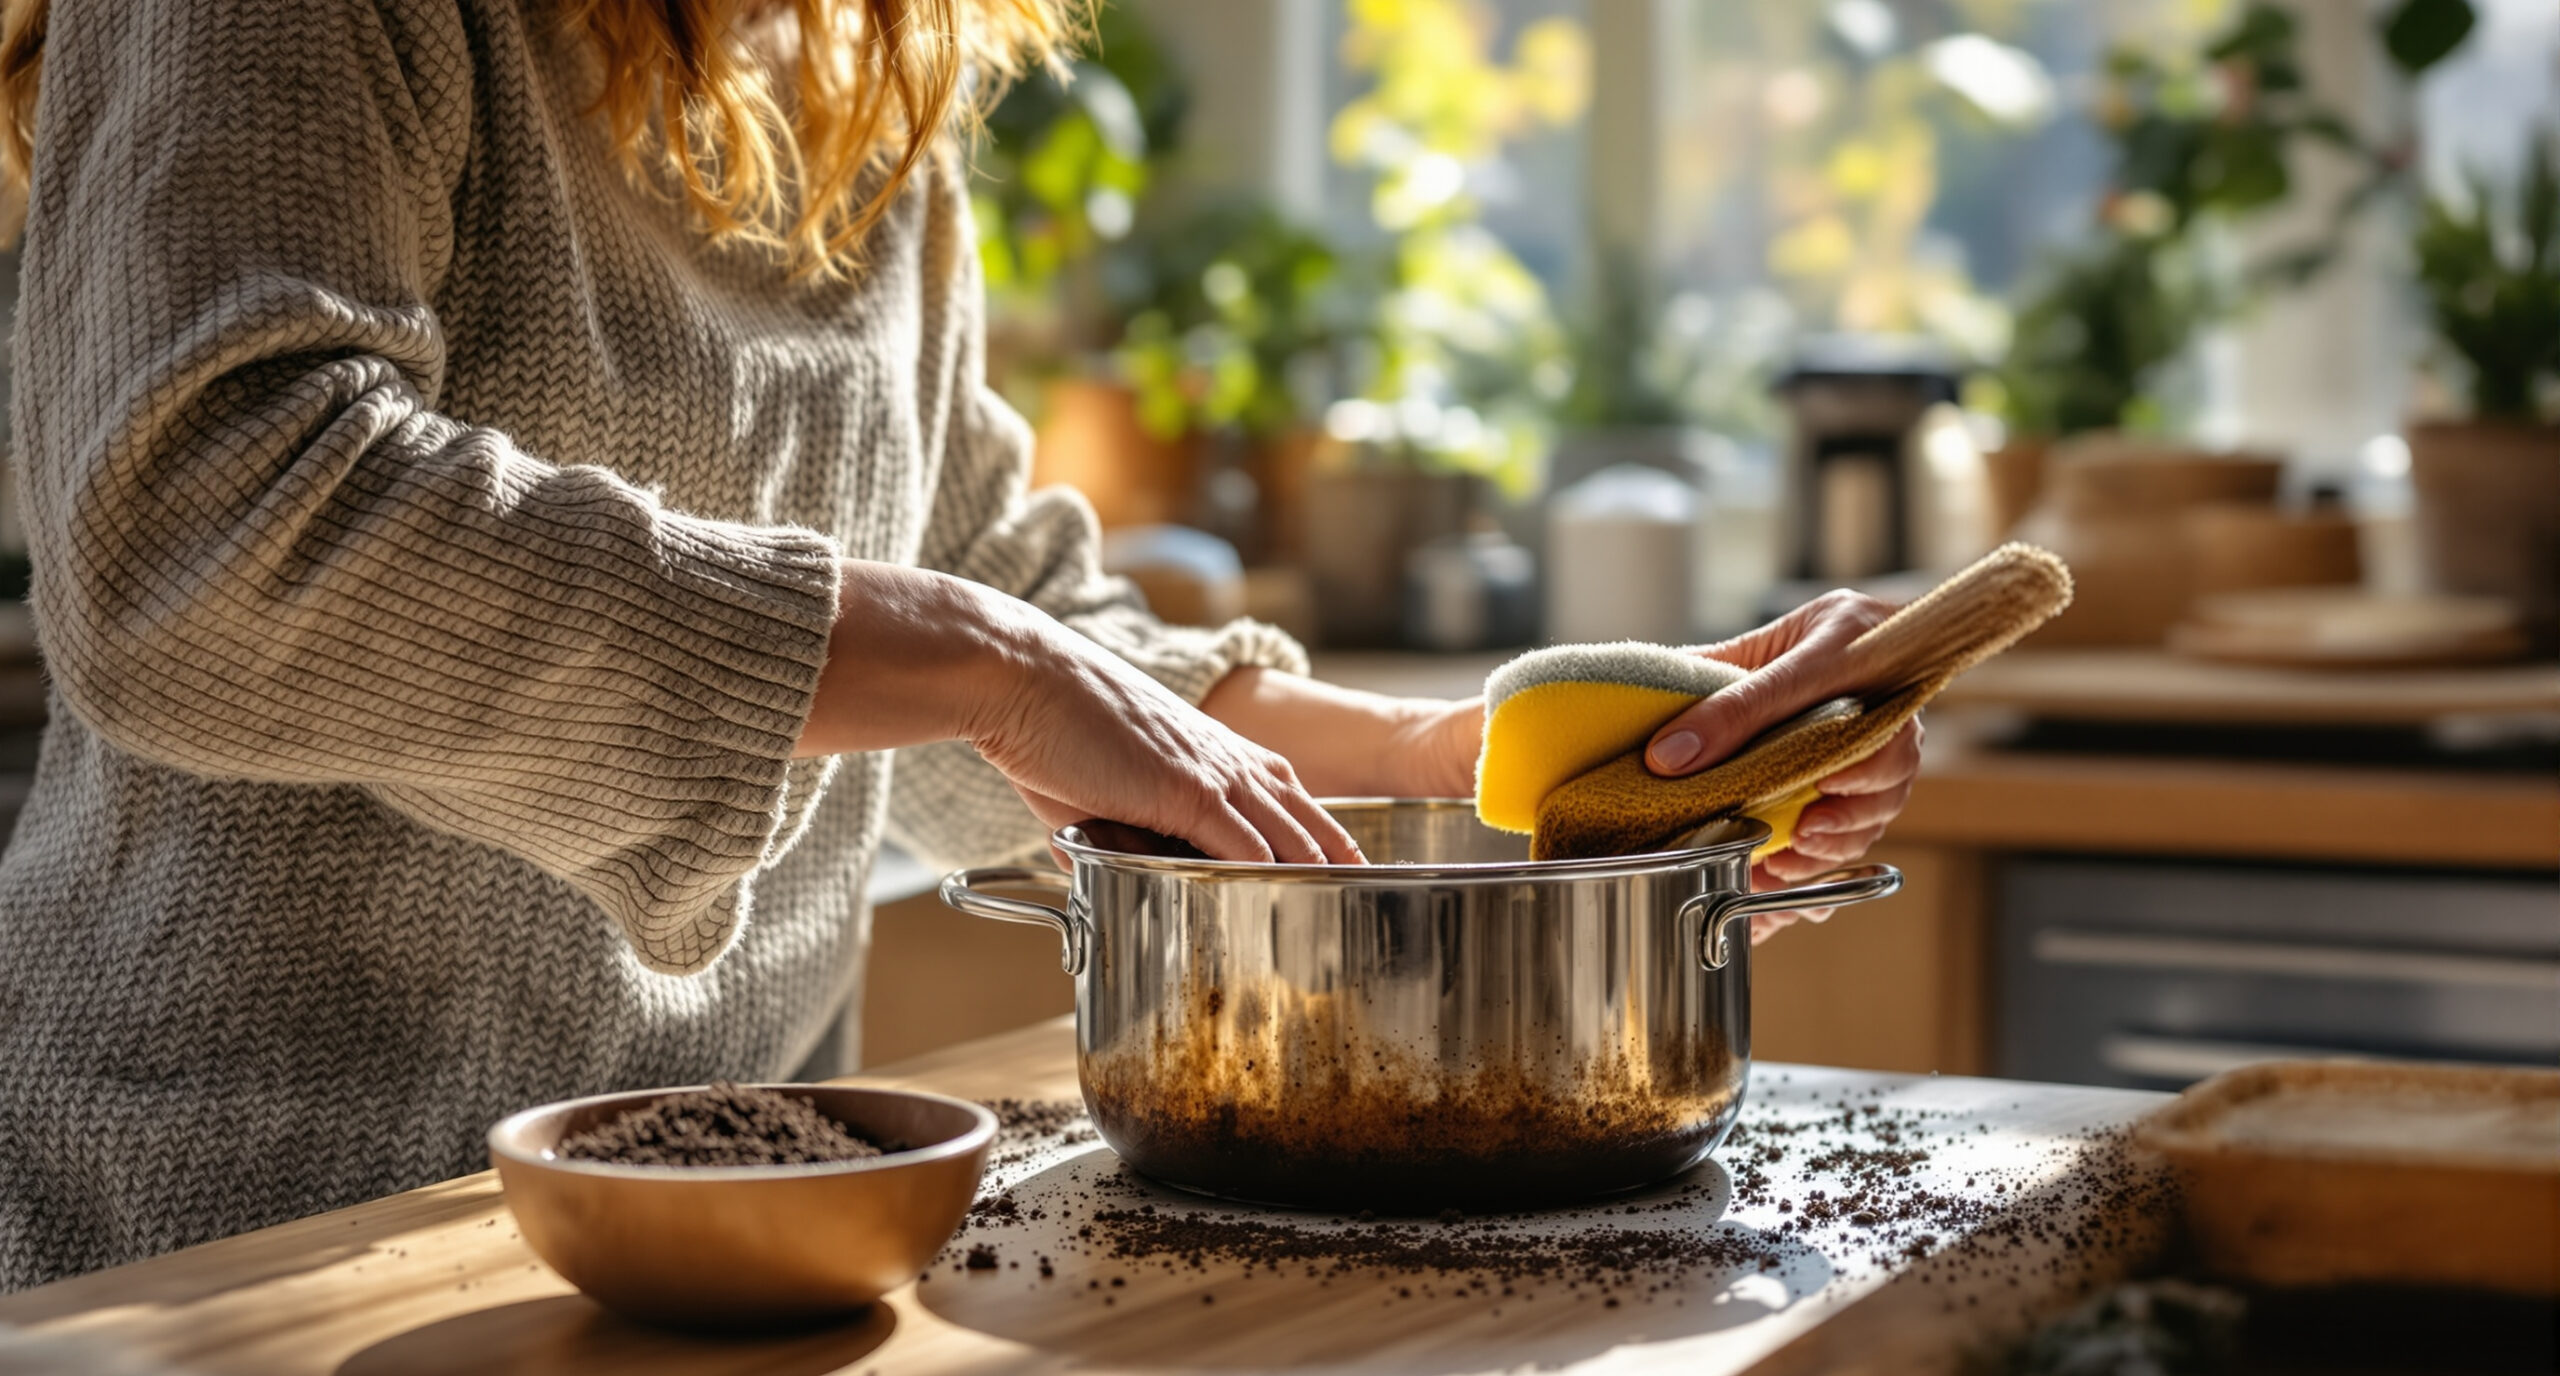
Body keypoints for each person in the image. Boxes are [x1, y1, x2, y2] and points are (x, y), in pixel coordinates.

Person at [0, 0, 1919, 1291]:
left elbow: (1015, 625)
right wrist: (971, 649)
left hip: (717, 1241)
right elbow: (207, 530)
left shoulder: (852, 77)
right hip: (214, 1238)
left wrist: (1512, 766)